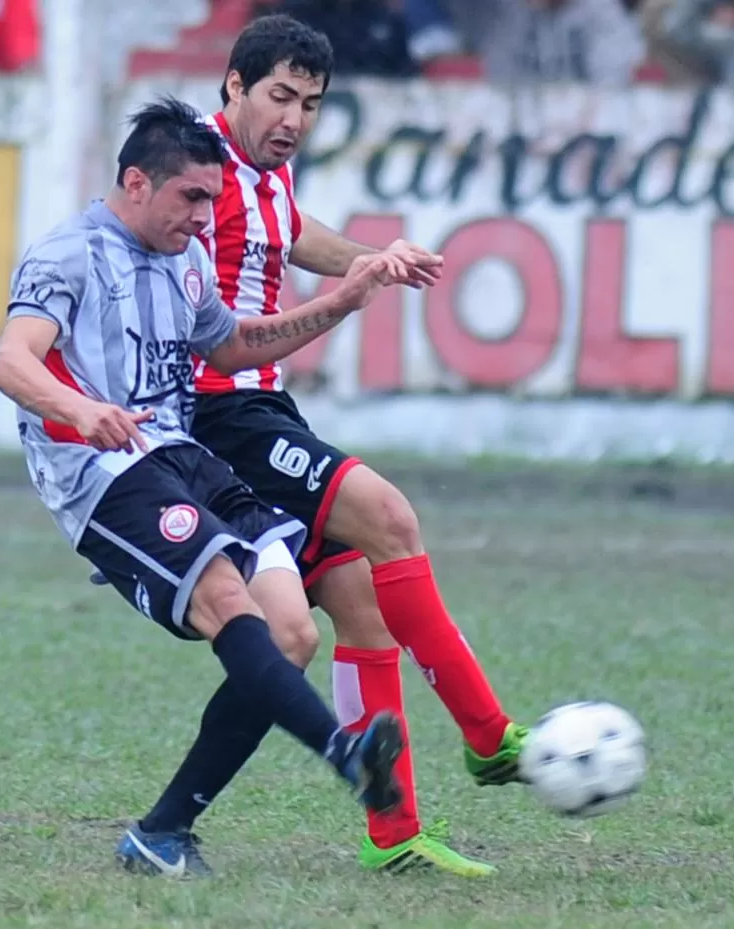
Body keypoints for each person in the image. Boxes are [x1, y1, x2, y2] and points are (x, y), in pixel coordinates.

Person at [130, 14, 531, 877]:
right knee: (389, 516)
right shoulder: (200, 177)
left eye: (310, 104)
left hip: (263, 408)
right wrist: (344, 295)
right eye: (279, 96)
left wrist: (372, 258)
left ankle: (392, 832)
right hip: (217, 417)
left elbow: (291, 230)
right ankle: (490, 736)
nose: (294, 119)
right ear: (232, 86)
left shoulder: (262, 173)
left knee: (351, 605)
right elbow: (183, 295)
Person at [0, 97, 426, 878]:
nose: (203, 216)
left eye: (210, 201)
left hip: (182, 455)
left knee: (292, 632)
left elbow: (228, 348)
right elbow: (11, 361)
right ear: (134, 182)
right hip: (103, 473)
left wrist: (341, 299)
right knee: (227, 599)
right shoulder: (69, 254)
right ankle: (345, 750)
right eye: (190, 197)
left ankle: (161, 833)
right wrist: (81, 408)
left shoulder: (186, 259)